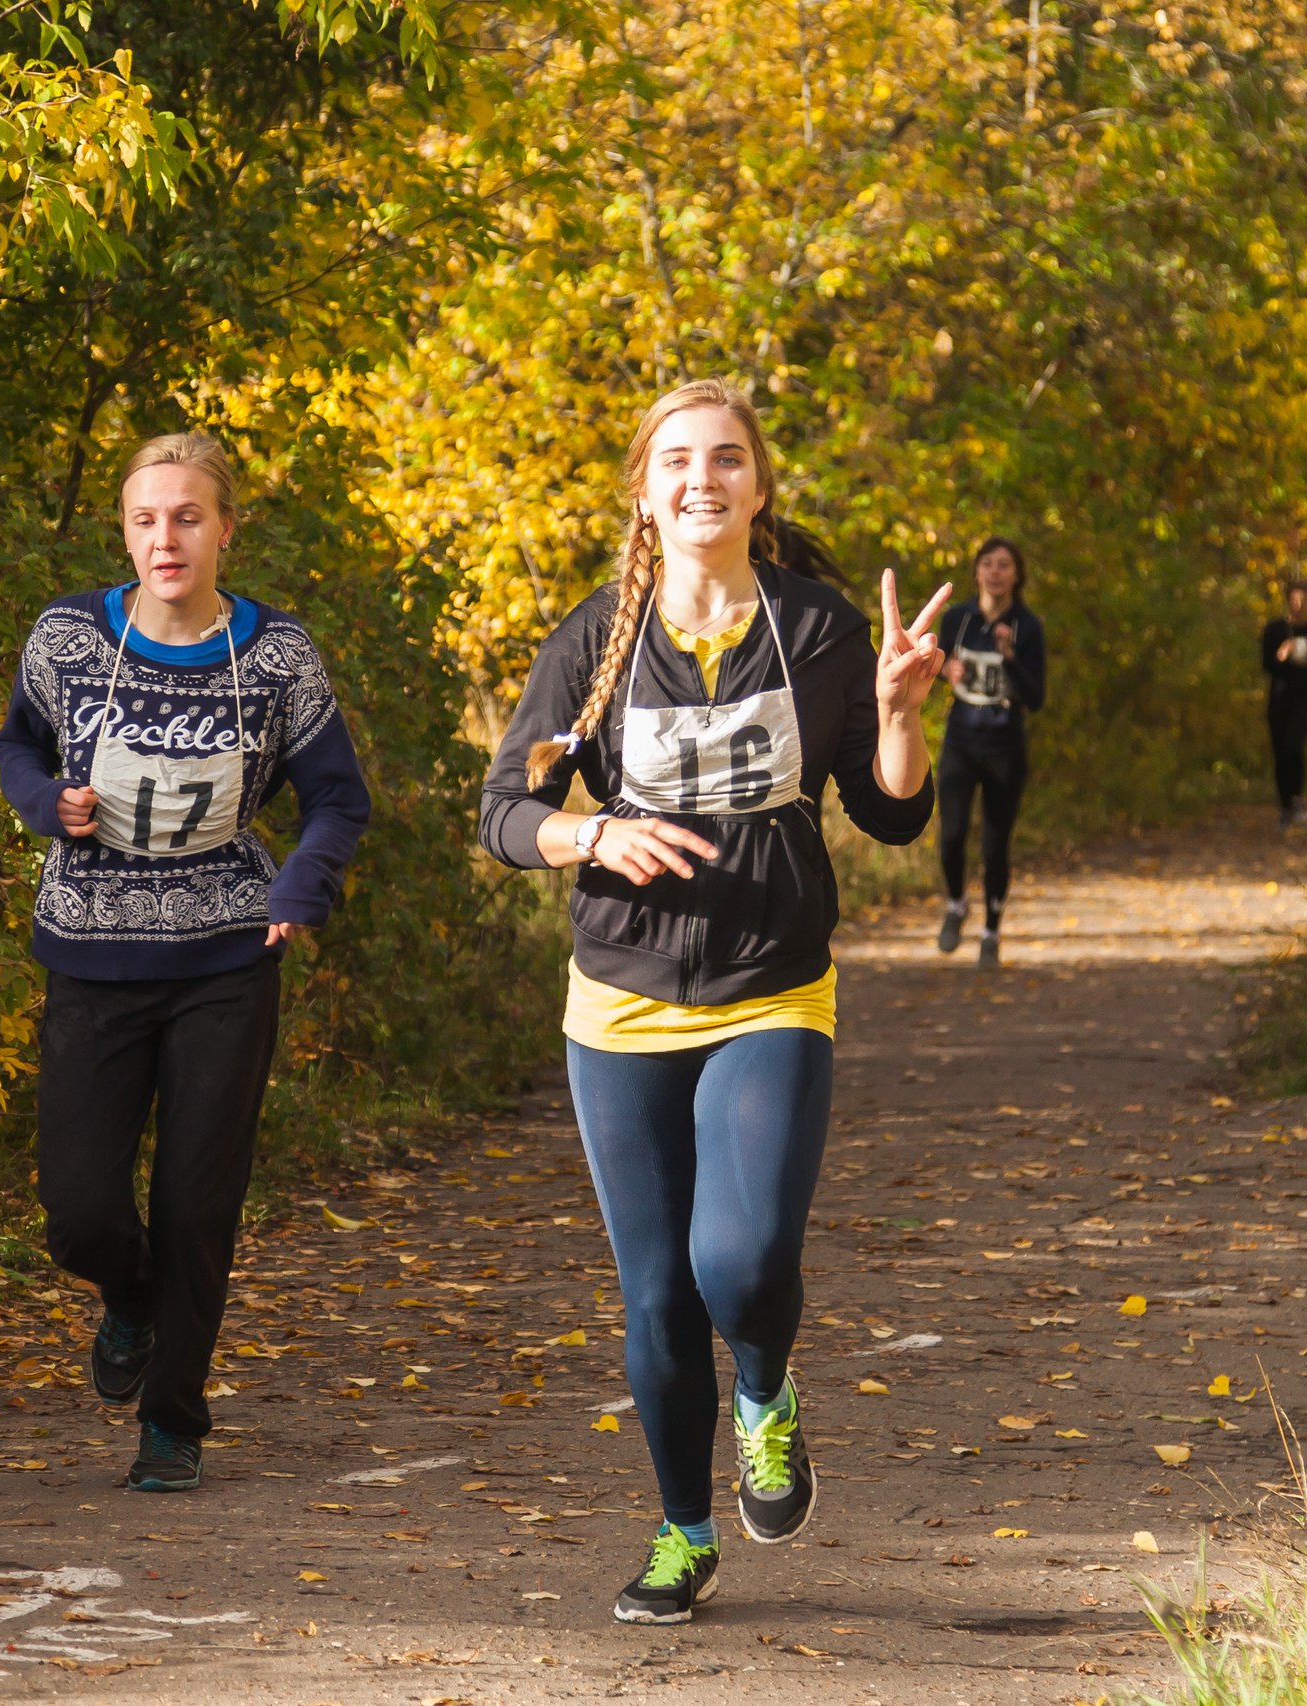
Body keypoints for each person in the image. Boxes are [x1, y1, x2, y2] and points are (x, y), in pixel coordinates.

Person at [479, 380, 949, 1626]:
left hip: (771, 988)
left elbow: (893, 810)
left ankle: (768, 1392)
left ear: (759, 485)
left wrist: (901, 715)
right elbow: (504, 813)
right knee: (655, 1297)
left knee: (740, 1263)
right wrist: (587, 836)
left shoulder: (820, 630)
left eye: (727, 458)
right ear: (644, 489)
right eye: (678, 460)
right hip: (620, 1005)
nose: (703, 478)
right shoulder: (593, 641)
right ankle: (683, 1532)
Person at [0, 432, 372, 1494]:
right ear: (125, 531)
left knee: (199, 1196)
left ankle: (173, 1417)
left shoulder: (277, 655)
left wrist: (301, 882)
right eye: (146, 518)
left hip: (226, 949)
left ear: (225, 529)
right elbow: (16, 743)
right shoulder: (68, 636)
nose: (167, 536)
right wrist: (43, 802)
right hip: (91, 944)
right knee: (78, 1204)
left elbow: (338, 795)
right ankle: (129, 1293)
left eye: (188, 516)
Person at [933, 536, 1046, 968]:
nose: (996, 572)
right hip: (962, 739)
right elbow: (937, 668)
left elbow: (1036, 698)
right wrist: (945, 671)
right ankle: (957, 904)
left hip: (1005, 744)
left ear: (1016, 575)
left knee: (995, 845)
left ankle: (991, 929)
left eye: (1004, 565)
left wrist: (1011, 658)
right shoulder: (958, 619)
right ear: (977, 571)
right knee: (952, 834)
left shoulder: (1027, 626)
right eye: (988, 564)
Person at [1259, 584, 1307, 828]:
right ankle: (1285, 804)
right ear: (1287, 601)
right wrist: (1281, 656)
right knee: (1281, 750)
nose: (1299, 604)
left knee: (1294, 745)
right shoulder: (1275, 629)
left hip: (1306, 697)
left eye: (1303, 599)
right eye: (1294, 599)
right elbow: (1267, 665)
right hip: (1280, 698)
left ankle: (1297, 798)